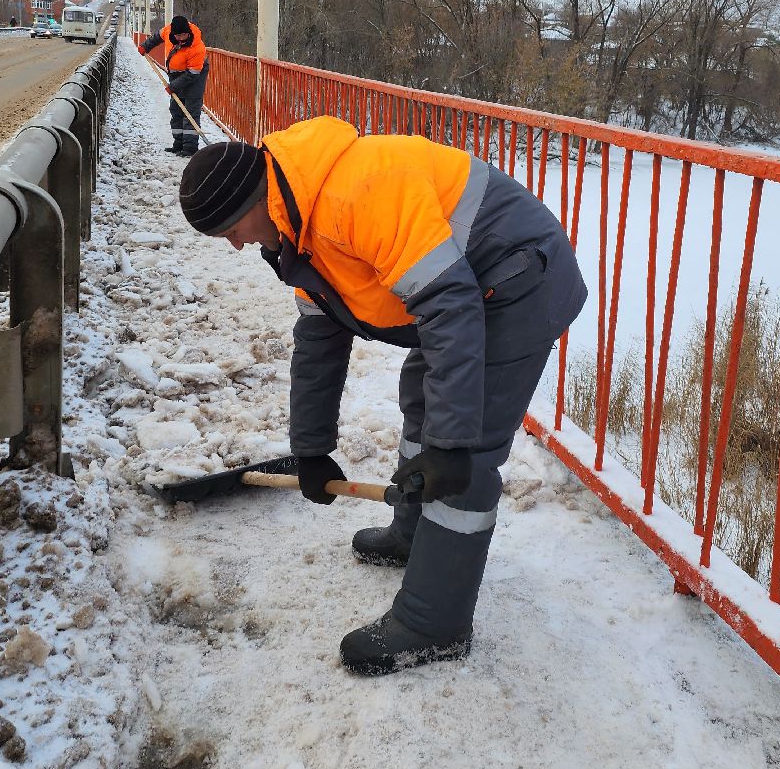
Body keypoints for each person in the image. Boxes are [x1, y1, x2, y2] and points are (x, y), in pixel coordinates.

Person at [177, 117, 587, 675]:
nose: (234, 243)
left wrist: (450, 445)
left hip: (519, 279)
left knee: (465, 452)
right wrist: (312, 449)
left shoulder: (354, 195)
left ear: (256, 198)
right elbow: (318, 339)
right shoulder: (297, 227)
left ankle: (433, 624)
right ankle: (413, 531)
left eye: (230, 227)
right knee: (425, 397)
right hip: (471, 287)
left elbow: (448, 307)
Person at [139, 15, 209, 156]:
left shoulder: (197, 47)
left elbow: (192, 74)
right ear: (173, 33)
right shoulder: (168, 31)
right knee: (176, 109)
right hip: (177, 75)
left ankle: (189, 148)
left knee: (189, 110)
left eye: (184, 35)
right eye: (178, 36)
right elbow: (156, 37)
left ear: (188, 32)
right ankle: (178, 144)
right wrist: (145, 46)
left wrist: (173, 86)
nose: (181, 38)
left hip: (195, 75)